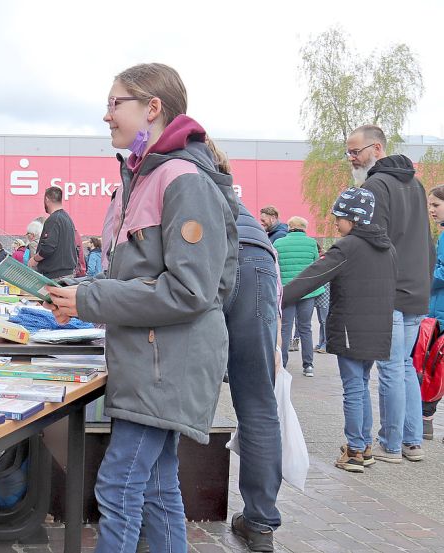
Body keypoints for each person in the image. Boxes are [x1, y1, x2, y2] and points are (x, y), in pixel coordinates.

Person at [46, 63, 238, 552]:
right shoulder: (142, 174)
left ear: (153, 108)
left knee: (119, 485)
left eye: (115, 103)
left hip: (166, 365)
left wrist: (91, 298)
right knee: (155, 487)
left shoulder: (181, 178)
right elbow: (133, 276)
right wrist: (81, 295)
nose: (106, 115)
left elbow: (191, 289)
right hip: (153, 362)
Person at [282, 188, 396, 472]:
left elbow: (312, 277)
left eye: (339, 216)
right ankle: (364, 445)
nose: (335, 221)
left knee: (353, 388)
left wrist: (277, 297)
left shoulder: (347, 248)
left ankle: (355, 449)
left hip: (351, 328)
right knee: (362, 385)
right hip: (378, 328)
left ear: (354, 218)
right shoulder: (388, 248)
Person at [206, 137, 283, 551]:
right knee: (258, 402)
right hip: (258, 264)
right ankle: (260, 522)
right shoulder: (243, 207)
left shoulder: (182, 182)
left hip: (214, 261)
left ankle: (164, 507)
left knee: (180, 391)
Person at [350, 124, 433, 462]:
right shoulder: (415, 183)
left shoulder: (374, 185)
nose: (352, 158)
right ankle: (412, 442)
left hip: (390, 290)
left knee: (390, 369)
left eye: (356, 151)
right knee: (404, 367)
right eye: (349, 152)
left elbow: (373, 242)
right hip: (416, 288)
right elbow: (423, 240)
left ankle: (392, 444)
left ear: (378, 149)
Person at [274, 216, 323, 376]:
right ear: (304, 228)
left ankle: (282, 364)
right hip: (307, 292)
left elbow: (275, 267)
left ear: (289, 227)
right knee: (305, 328)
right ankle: (308, 365)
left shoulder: (279, 243)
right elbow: (316, 265)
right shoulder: (311, 243)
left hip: (287, 292)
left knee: (285, 328)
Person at [422, 185, 444, 440]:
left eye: (436, 205)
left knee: (433, 368)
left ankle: (425, 421)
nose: (431, 210)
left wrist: (423, 276)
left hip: (439, 313)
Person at [29, 186, 78, 279]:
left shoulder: (53, 220)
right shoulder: (67, 219)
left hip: (55, 275)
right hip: (67, 273)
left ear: (47, 199)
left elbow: (48, 247)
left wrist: (34, 259)